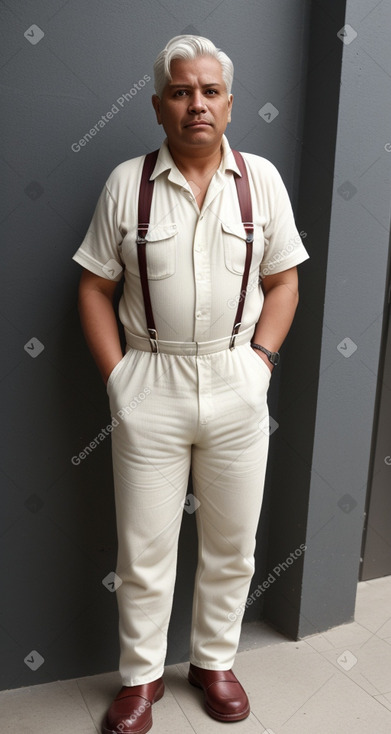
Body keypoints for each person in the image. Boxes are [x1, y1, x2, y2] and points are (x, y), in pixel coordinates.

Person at [73, 34, 309, 734]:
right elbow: (91, 287)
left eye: (208, 91)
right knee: (142, 549)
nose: (195, 104)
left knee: (233, 543)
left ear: (229, 105)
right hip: (152, 378)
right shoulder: (126, 183)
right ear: (158, 105)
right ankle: (140, 680)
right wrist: (121, 380)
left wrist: (261, 360)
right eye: (180, 92)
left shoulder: (260, 180)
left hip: (237, 377)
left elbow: (284, 281)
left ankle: (213, 662)